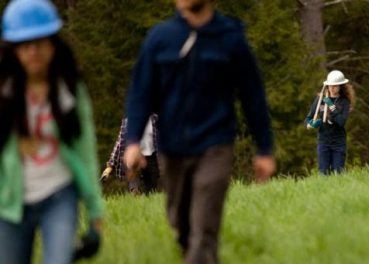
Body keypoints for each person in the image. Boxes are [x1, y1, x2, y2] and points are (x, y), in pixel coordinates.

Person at [123, 0, 276, 263]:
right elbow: (141, 93)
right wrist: (133, 141)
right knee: (181, 224)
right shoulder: (160, 38)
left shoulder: (230, 37)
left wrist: (264, 149)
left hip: (215, 144)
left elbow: (252, 96)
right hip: (172, 147)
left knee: (204, 223)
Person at [0, 0, 103, 263]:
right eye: (24, 45)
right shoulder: (4, 92)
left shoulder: (70, 89)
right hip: (9, 202)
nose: (33, 51)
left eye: (40, 42)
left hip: (59, 195)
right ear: (13, 50)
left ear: (53, 44)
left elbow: (85, 150)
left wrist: (95, 209)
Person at [305, 70, 356, 175]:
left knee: (338, 172)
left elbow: (341, 121)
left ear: (341, 86)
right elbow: (308, 119)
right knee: (323, 172)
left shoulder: (344, 102)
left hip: (338, 142)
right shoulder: (320, 99)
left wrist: (332, 107)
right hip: (323, 141)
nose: (332, 88)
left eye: (335, 86)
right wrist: (311, 124)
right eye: (330, 86)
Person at [101, 114, 159, 195]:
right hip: (133, 157)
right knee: (134, 188)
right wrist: (110, 166)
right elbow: (120, 142)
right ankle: (135, 193)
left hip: (150, 157)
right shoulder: (128, 120)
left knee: (152, 189)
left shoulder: (155, 119)